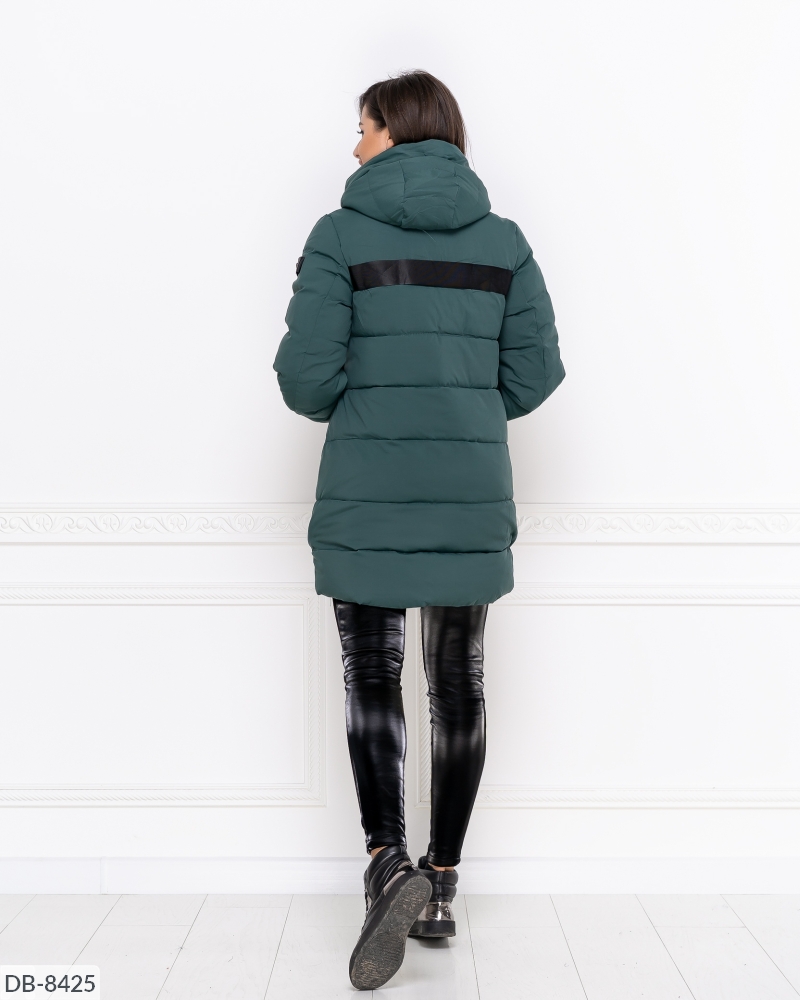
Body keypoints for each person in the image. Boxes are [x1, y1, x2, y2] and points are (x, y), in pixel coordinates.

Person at [274, 70, 565, 991]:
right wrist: (460, 405)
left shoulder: (338, 235)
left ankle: (386, 862)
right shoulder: (504, 242)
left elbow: (306, 381)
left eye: (362, 127)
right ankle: (439, 887)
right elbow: (534, 376)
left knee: (372, 673)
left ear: (395, 133)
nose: (354, 143)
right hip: (469, 490)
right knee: (457, 682)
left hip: (367, 488)